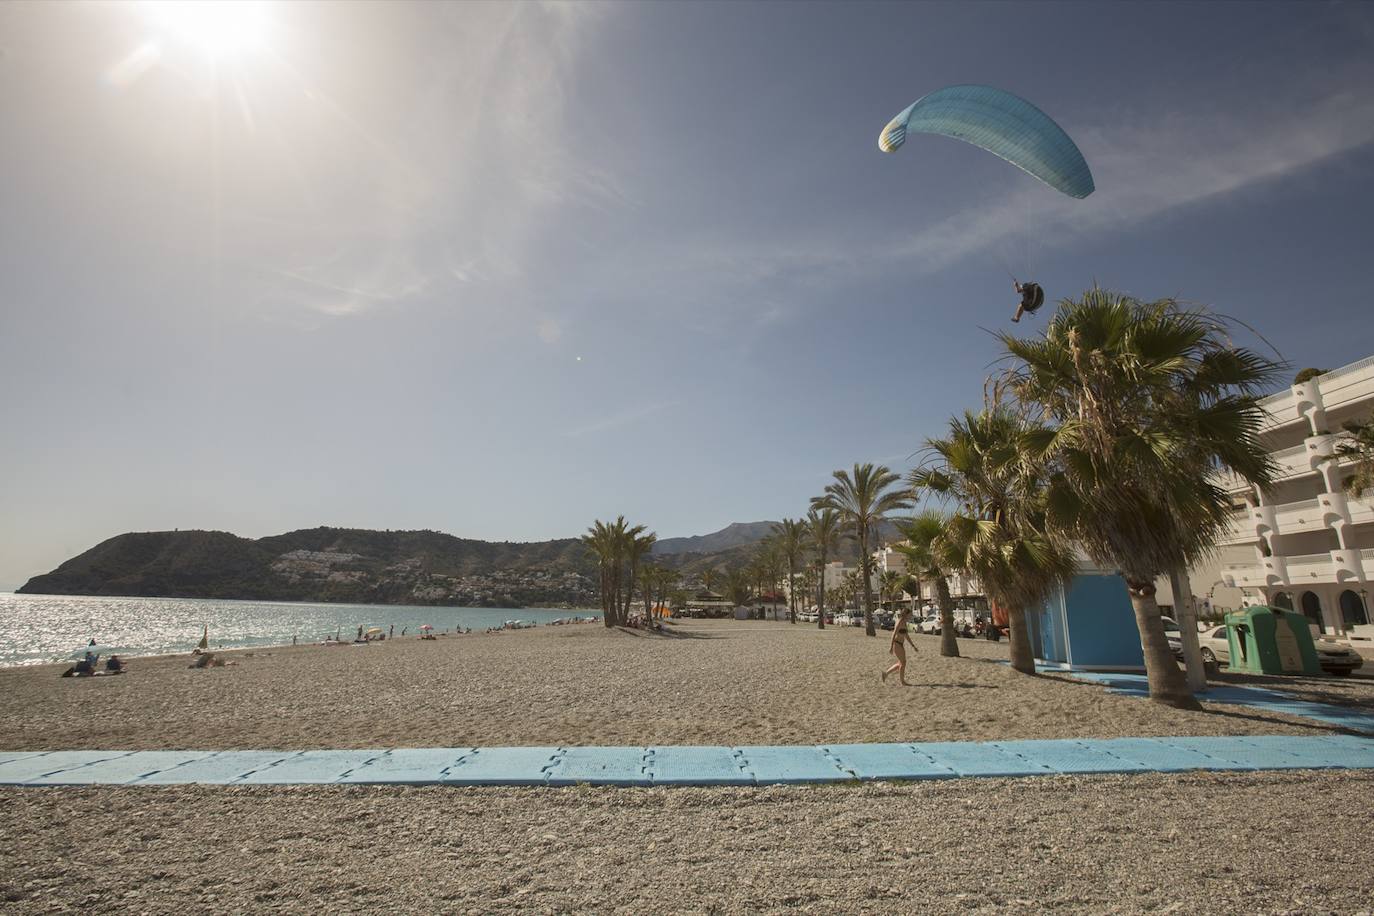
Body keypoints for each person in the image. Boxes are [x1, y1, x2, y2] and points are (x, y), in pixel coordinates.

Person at [882, 608, 919, 686]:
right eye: (910, 614)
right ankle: (902, 681)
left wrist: (913, 646)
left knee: (901, 663)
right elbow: (894, 634)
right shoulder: (899, 622)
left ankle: (885, 674)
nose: (911, 615)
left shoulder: (904, 622)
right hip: (897, 644)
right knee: (903, 663)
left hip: (901, 644)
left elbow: (906, 636)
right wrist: (891, 646)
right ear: (906, 614)